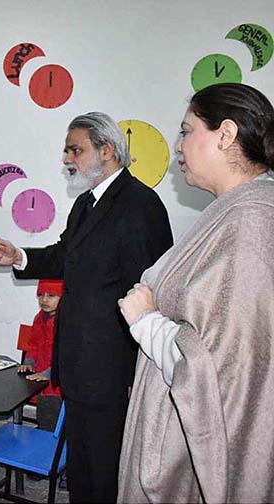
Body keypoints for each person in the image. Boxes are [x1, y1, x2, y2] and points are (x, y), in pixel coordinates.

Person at [0, 112, 173, 503]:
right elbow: (64, 255)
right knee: (83, 465)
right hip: (79, 359)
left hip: (110, 365)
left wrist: (131, 369)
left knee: (106, 467)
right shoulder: (87, 203)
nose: (67, 158)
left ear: (106, 151)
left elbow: (148, 291)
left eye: (76, 149)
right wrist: (20, 256)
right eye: (66, 150)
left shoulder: (140, 204)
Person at [116, 83, 274, 503]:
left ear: (225, 134)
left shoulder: (249, 223)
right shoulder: (234, 209)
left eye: (186, 130)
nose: (178, 145)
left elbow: (227, 370)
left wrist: (147, 323)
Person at [17, 279, 63, 432]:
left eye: (51, 295)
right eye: (40, 295)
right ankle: (44, 432)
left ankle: (49, 442)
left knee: (53, 417)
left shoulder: (64, 322)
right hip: (40, 378)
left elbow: (65, 355)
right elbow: (33, 344)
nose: (44, 300)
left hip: (57, 382)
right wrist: (29, 361)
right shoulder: (39, 318)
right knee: (44, 414)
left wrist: (49, 373)